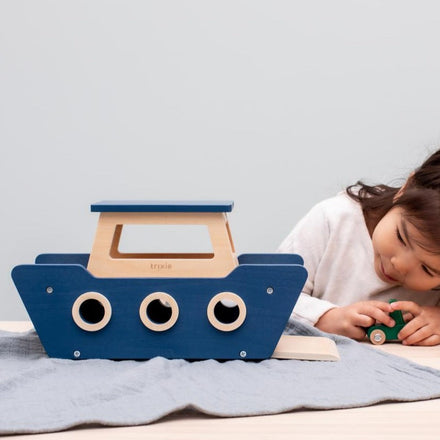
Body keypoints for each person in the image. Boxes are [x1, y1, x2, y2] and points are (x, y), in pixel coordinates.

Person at [278, 149, 440, 346]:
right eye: (401, 238)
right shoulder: (334, 220)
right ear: (404, 190)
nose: (399, 265)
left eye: (426, 269)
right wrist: (325, 318)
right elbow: (270, 295)